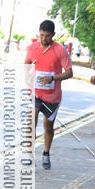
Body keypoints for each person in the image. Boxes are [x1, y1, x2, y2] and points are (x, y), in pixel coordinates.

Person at [24, 19, 73, 170]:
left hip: (53, 96)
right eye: (41, 35)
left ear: (53, 35)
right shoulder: (32, 48)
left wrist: (52, 78)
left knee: (48, 126)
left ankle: (46, 153)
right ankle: (29, 155)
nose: (43, 39)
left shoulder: (60, 50)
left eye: (47, 36)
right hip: (36, 92)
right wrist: (27, 77)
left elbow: (70, 72)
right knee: (31, 121)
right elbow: (26, 63)